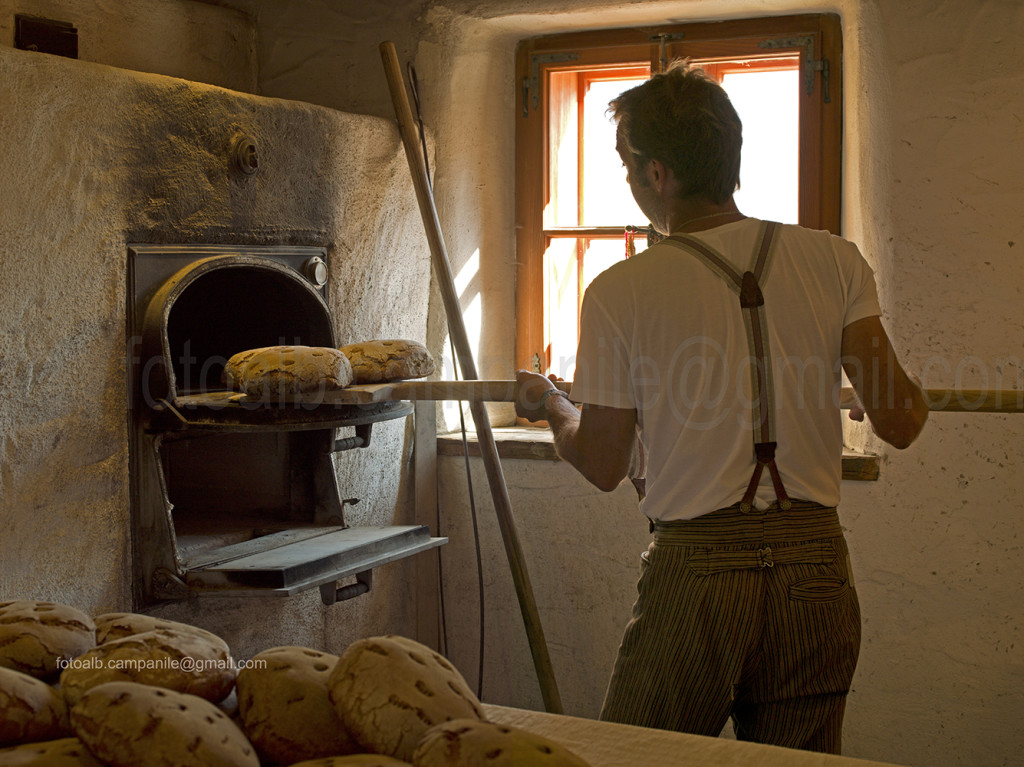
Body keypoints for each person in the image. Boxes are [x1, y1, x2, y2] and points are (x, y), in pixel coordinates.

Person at [515, 61, 929, 754]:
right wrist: (837, 383)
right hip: (816, 571)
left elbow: (603, 462)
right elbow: (904, 420)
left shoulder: (621, 291)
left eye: (627, 168)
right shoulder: (835, 260)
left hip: (697, 574)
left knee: (631, 755)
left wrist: (553, 402)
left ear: (656, 174)